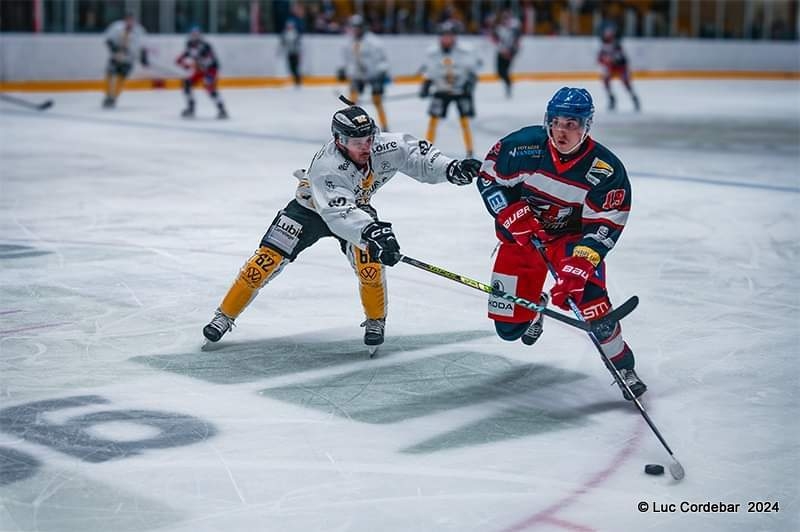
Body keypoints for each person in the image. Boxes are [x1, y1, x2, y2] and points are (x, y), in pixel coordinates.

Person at [202, 104, 481, 354]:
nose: (366, 147)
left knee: (370, 267)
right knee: (263, 263)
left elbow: (417, 156)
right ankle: (224, 316)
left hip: (355, 209)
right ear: (339, 140)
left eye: (369, 139)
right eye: (356, 142)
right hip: (309, 211)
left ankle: (375, 320)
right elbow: (338, 213)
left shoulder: (384, 146)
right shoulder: (328, 166)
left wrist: (451, 168)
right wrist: (372, 232)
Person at [476, 87, 646, 400]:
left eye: (572, 124)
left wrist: (580, 264)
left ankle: (623, 366)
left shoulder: (605, 171)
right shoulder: (522, 147)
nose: (562, 131)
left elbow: (605, 224)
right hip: (522, 239)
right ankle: (535, 305)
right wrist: (508, 211)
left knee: (591, 302)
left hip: (568, 242)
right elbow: (487, 177)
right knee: (509, 329)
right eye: (556, 122)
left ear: (586, 126)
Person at [419, 21, 482, 158]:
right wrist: (426, 83)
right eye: (444, 36)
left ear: (455, 37)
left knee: (465, 120)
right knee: (433, 119)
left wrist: (469, 82)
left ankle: (470, 150)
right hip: (441, 91)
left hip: (461, 91)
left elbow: (474, 69)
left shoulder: (466, 51)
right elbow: (429, 70)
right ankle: (427, 148)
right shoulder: (432, 53)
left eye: (450, 36)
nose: (446, 39)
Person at [337, 14, 390, 131]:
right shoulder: (348, 42)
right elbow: (345, 58)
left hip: (374, 75)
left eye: (358, 27)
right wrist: (342, 68)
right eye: (353, 27)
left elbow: (383, 60)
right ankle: (353, 124)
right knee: (352, 102)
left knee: (377, 101)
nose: (355, 30)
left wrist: (381, 73)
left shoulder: (374, 42)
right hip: (357, 76)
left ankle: (385, 125)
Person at [176, 26, 228, 119]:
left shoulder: (205, 46)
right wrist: (182, 62)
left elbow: (211, 60)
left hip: (210, 69)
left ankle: (222, 109)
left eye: (196, 34)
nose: (194, 36)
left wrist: (194, 65)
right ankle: (191, 108)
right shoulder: (189, 45)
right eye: (193, 34)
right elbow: (185, 55)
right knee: (186, 84)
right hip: (200, 70)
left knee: (209, 86)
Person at [102, 12, 148, 108]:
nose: (130, 22)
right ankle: (108, 95)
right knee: (109, 74)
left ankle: (114, 97)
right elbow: (108, 40)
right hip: (116, 56)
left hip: (129, 59)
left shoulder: (139, 30)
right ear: (125, 19)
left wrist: (144, 57)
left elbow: (143, 46)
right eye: (128, 19)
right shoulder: (116, 27)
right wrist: (114, 48)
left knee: (121, 78)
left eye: (131, 20)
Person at [597, 25, 640, 111]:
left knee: (626, 83)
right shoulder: (604, 46)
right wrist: (605, 61)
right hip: (611, 67)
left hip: (620, 67)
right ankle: (611, 98)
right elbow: (600, 58)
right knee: (605, 80)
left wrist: (612, 59)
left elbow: (622, 58)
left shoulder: (617, 45)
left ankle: (634, 98)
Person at [491, 9, 522, 98]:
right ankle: (508, 83)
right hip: (501, 52)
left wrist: (511, 53)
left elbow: (517, 43)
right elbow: (494, 39)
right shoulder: (499, 29)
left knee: (505, 71)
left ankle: (508, 85)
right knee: (499, 72)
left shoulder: (514, 30)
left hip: (509, 53)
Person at [280, 20, 303, 87]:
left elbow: (298, 44)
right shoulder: (285, 34)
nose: (289, 27)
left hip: (295, 53)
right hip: (289, 53)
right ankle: (296, 80)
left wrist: (299, 53)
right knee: (291, 67)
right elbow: (283, 43)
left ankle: (298, 81)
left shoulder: (295, 33)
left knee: (295, 67)